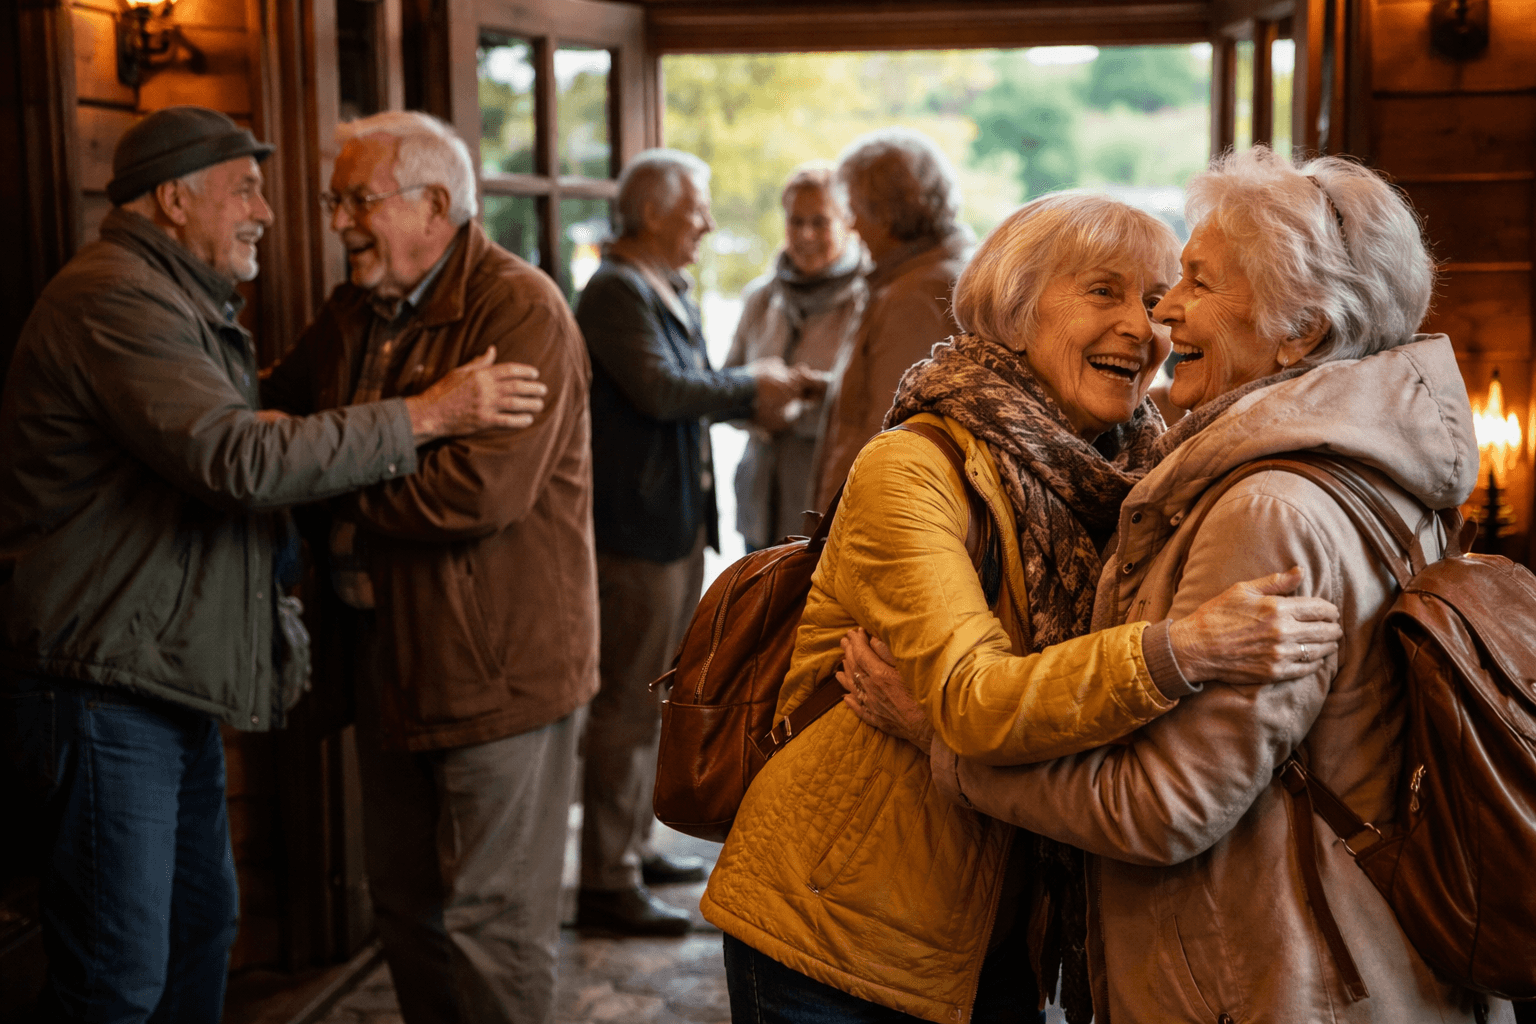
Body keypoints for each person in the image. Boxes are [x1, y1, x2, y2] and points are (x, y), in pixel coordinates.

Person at [842, 148, 1515, 1023]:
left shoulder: (1269, 507)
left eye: (1196, 281)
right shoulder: (1373, 468)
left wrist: (943, 746)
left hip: (1281, 977)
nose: (1164, 313)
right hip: (1358, 960)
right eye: (1115, 290)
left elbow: (1163, 808)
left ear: (1299, 332)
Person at [701, 192, 1345, 1023]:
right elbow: (974, 701)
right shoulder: (911, 466)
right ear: (1012, 311)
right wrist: (1179, 650)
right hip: (839, 928)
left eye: (1154, 301)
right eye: (1102, 292)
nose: (1141, 327)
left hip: (1005, 930)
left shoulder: (1144, 475)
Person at [0, 106, 543, 1023]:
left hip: (156, 681)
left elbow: (263, 437)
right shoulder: (116, 298)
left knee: (195, 937)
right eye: (245, 188)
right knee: (116, 978)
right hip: (100, 689)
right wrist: (427, 416)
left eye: (344, 199)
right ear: (174, 199)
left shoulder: (176, 298)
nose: (272, 212)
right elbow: (240, 459)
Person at [260, 110, 594, 1024]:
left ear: (434, 205)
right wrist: (407, 430)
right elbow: (265, 424)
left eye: (355, 201)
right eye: (335, 201)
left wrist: (335, 477)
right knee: (403, 907)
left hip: (498, 667)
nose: (336, 222)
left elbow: (476, 497)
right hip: (381, 655)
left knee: (491, 925)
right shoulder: (348, 313)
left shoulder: (519, 308)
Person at [574, 149, 810, 935]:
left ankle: (633, 849)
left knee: (649, 701)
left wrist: (756, 385)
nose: (708, 222)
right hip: (632, 535)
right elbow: (663, 390)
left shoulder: (661, 284)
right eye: (696, 208)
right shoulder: (613, 291)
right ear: (651, 214)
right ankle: (606, 881)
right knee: (622, 707)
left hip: (668, 529)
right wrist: (756, 384)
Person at [810, 127, 972, 509]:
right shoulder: (918, 278)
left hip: (876, 521)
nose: (851, 226)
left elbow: (893, 437)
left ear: (888, 214)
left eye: (855, 210)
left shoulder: (914, 296)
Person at [726, 162, 867, 549]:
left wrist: (810, 398)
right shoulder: (760, 296)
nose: (805, 234)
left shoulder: (870, 299)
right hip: (758, 502)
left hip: (830, 507)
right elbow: (724, 386)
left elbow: (879, 404)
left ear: (847, 222)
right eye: (795, 221)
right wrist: (755, 404)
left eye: (820, 222)